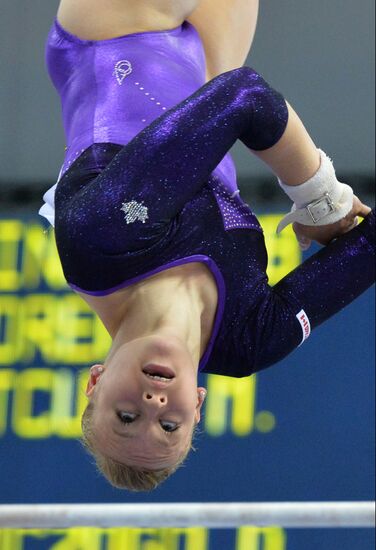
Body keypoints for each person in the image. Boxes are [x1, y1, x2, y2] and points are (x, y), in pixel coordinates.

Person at [39, 0, 375, 491]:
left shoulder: (100, 245)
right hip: (207, 66)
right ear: (197, 405)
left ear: (95, 381)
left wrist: (322, 202)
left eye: (125, 417)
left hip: (115, 33)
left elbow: (246, 99)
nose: (153, 407)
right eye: (169, 427)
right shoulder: (248, 340)